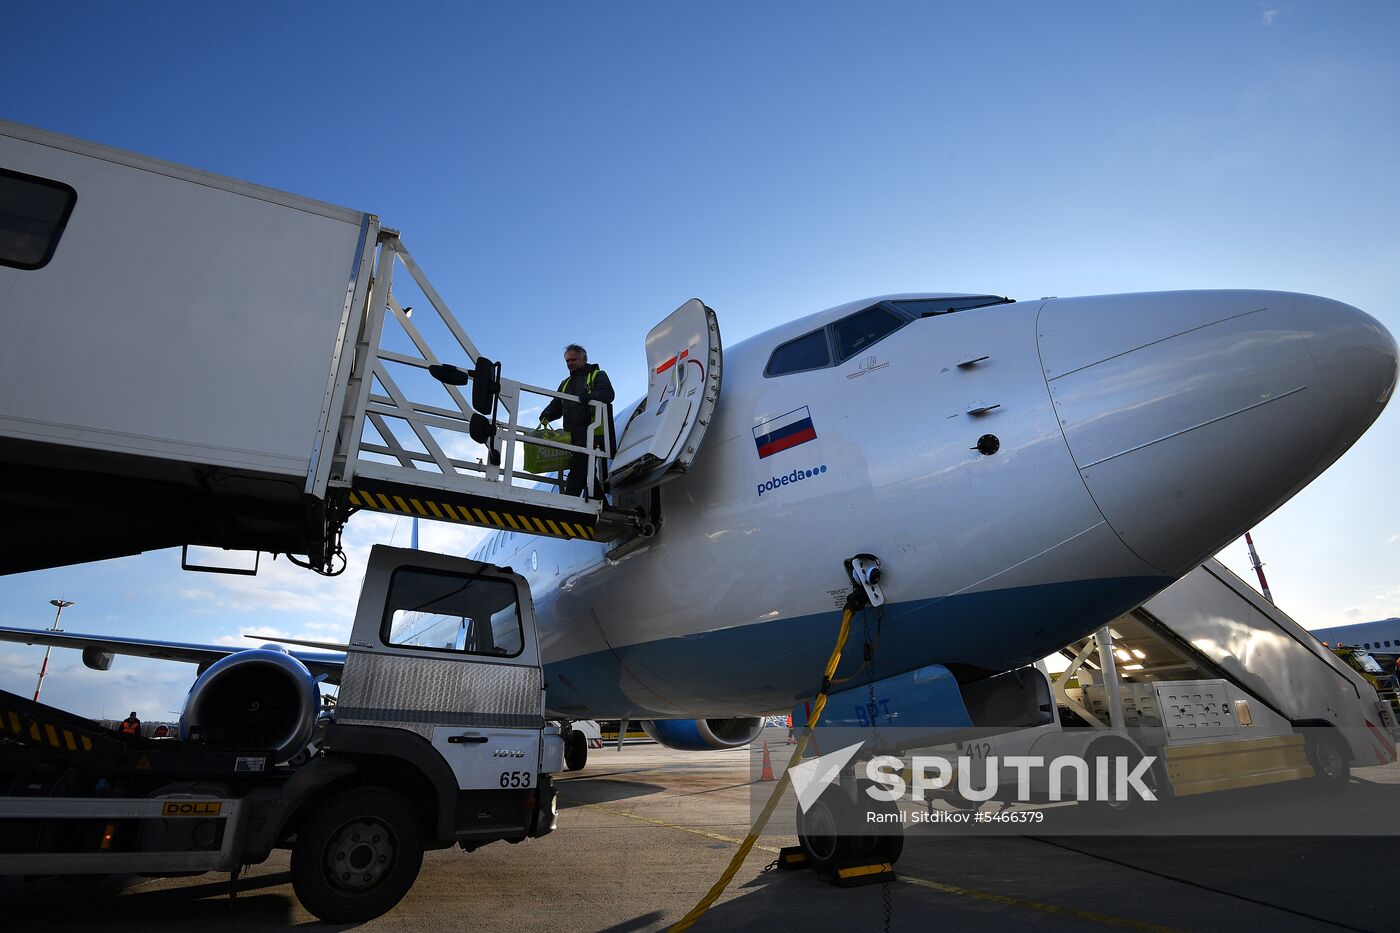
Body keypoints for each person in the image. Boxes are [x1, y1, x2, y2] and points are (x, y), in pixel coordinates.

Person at [540, 344, 615, 498]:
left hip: (593, 433)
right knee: (586, 470)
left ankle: (567, 502)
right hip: (573, 436)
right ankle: (604, 507)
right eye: (567, 361)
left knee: (579, 467)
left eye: (573, 360)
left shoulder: (597, 375)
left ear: (583, 359)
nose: (569, 363)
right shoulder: (565, 383)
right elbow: (557, 404)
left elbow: (608, 394)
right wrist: (547, 414)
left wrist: (591, 397)